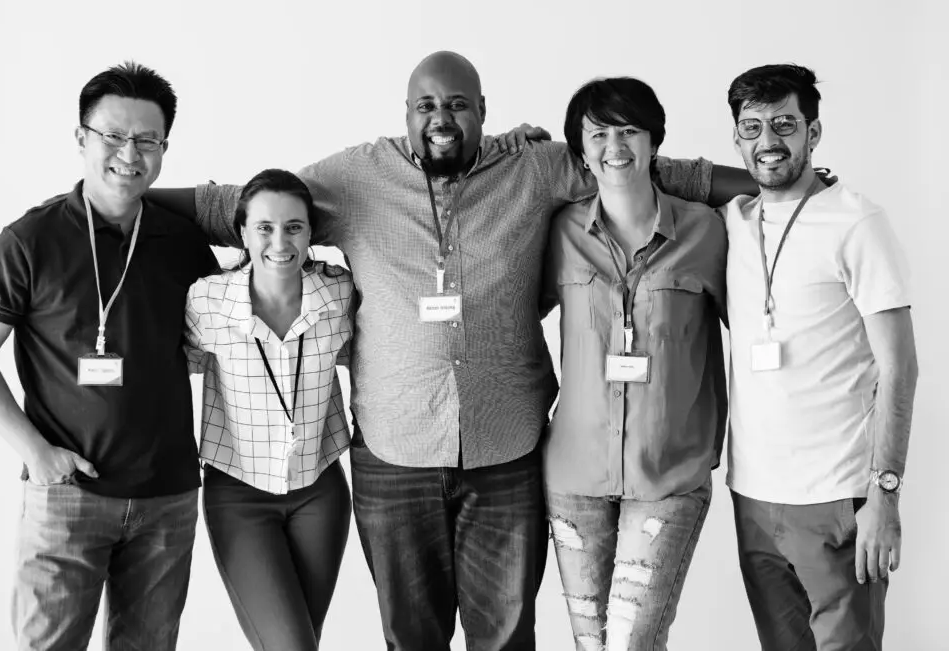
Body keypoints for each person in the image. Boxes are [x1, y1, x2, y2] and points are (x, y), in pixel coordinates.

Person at [151, 50, 750, 651]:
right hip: (394, 455)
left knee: (507, 635)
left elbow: (641, 166)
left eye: (459, 105)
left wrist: (771, 182)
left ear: (485, 111)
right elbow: (243, 206)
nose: (442, 118)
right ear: (406, 113)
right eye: (427, 105)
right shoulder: (355, 179)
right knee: (412, 637)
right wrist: (125, 201)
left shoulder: (534, 169)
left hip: (507, 452)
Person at [0, 62, 217, 650]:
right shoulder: (29, 241)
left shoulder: (183, 242)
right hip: (70, 494)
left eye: (148, 140)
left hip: (168, 495)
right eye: (114, 136)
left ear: (164, 148)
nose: (131, 153)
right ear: (81, 139)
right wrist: (37, 454)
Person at [723, 64, 918, 650]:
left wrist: (884, 494)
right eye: (751, 127)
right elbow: (643, 169)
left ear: (814, 132)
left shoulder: (857, 222)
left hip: (839, 496)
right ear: (736, 138)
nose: (768, 142)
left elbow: (900, 367)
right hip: (753, 496)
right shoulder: (734, 220)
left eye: (784, 124)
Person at [542, 77, 727, 651]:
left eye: (629, 130)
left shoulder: (708, 231)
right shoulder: (559, 231)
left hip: (669, 474)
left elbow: (756, 333)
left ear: (654, 142)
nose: (614, 146)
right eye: (598, 133)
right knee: (590, 644)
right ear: (580, 148)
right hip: (574, 475)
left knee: (631, 643)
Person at [185, 169, 354, 651]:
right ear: (241, 232)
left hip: (319, 493)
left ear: (310, 232)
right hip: (239, 496)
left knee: (299, 642)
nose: (280, 241)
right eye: (264, 227)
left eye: (294, 227)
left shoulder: (339, 295)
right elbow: (177, 368)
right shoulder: (207, 301)